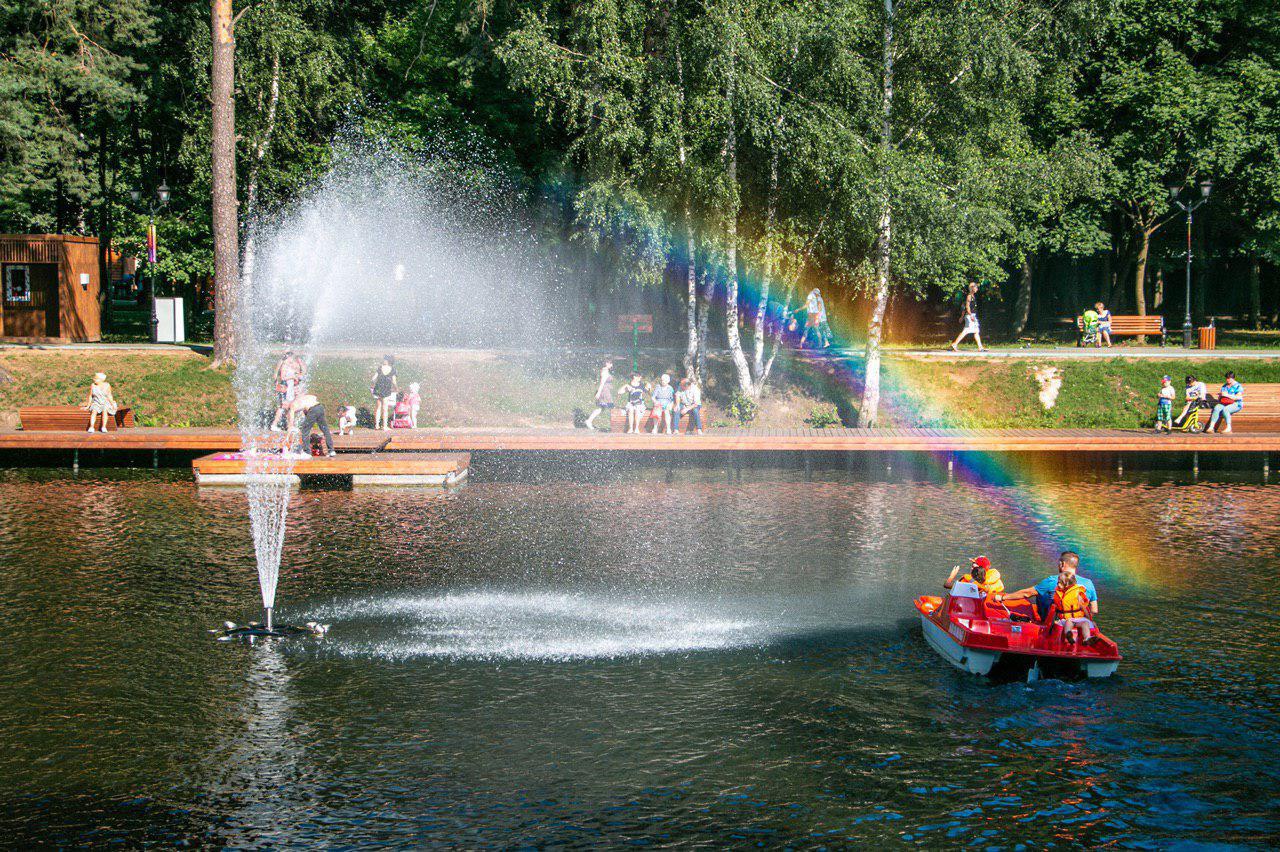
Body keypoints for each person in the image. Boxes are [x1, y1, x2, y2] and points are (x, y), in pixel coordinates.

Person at [994, 550, 1097, 624]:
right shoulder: (1089, 583)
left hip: (1055, 624)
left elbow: (1027, 593)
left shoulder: (1053, 580)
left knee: (1040, 594)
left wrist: (1002, 597)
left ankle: (1042, 623)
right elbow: (1094, 610)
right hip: (1080, 623)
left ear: (1062, 564)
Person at [1053, 572, 1095, 644]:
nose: (1058, 584)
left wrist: (1089, 619)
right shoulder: (1059, 594)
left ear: (1067, 585)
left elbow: (1083, 608)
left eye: (1060, 583)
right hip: (1065, 619)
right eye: (1058, 582)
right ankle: (1068, 635)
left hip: (1078, 619)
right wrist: (1053, 621)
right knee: (1069, 621)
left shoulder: (1077, 594)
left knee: (1085, 623)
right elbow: (1055, 609)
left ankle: (1087, 638)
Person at [288, 392, 335, 456]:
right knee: (325, 429)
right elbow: (314, 397)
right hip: (320, 407)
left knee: (304, 431)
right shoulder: (304, 398)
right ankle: (331, 450)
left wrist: (291, 426)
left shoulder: (292, 405)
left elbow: (291, 417)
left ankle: (307, 452)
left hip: (313, 409)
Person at [270, 351, 305, 432]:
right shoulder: (285, 365)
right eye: (291, 359)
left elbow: (302, 373)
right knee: (284, 407)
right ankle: (275, 425)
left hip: (289, 389)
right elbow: (283, 377)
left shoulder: (289, 365)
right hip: (286, 389)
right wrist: (293, 376)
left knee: (287, 408)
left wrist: (297, 374)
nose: (292, 361)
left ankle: (289, 426)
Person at [950, 282, 984, 351]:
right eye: (976, 287)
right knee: (966, 331)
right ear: (972, 288)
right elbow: (967, 307)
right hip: (970, 316)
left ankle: (980, 347)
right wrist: (970, 315)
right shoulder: (969, 296)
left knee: (976, 331)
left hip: (972, 315)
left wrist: (963, 316)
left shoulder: (973, 296)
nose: (977, 288)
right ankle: (954, 344)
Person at [370, 355, 398, 431]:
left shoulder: (380, 368)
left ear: (387, 361)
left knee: (378, 407)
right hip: (386, 389)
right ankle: (384, 426)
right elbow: (394, 381)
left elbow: (373, 379)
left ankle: (377, 425)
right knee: (385, 408)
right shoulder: (393, 370)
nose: (383, 360)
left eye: (384, 359)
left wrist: (372, 385)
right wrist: (396, 388)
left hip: (378, 388)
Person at [585, 359, 615, 430]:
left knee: (602, 408)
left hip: (606, 390)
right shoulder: (605, 371)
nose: (612, 365)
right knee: (610, 406)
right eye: (610, 363)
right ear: (607, 363)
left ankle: (589, 421)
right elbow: (602, 383)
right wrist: (598, 392)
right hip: (604, 391)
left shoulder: (604, 371)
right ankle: (615, 425)